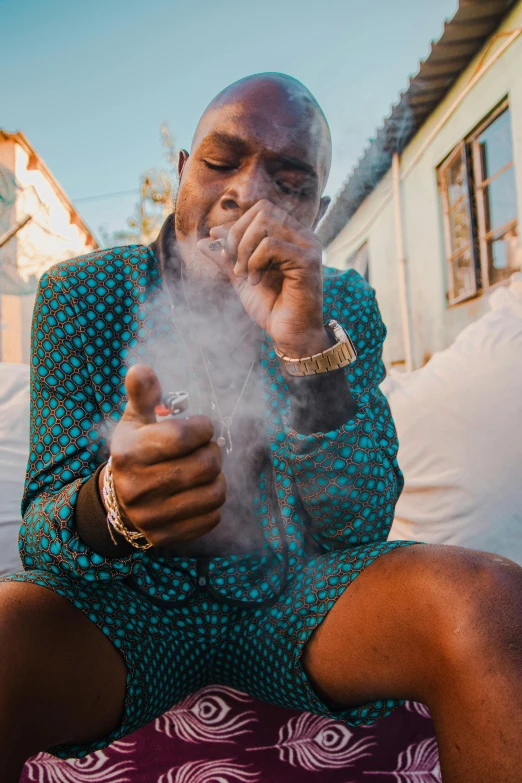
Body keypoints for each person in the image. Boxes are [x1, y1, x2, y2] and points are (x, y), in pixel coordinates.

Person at [1, 73, 521, 783]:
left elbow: (359, 524)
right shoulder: (83, 293)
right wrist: (112, 505)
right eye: (221, 161)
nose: (247, 194)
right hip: (125, 616)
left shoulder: (341, 303)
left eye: (290, 180)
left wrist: (306, 345)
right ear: (183, 172)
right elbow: (41, 540)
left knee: (489, 601)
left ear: (319, 212)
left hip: (297, 600)